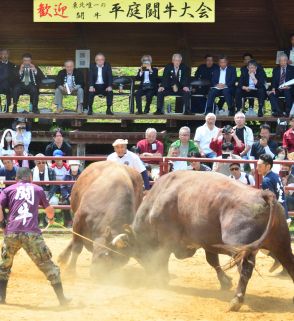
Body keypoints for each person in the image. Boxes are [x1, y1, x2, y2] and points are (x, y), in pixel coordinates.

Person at [0, 167, 70, 305]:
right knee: (49, 266)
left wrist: (2, 223)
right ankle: (62, 300)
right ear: (31, 177)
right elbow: (49, 209)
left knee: (4, 265)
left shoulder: (8, 190)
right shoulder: (37, 189)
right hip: (31, 233)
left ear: (16, 179)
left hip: (12, 231)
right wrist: (50, 219)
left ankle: (1, 298)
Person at [257, 154, 291, 225]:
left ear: (268, 166)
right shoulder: (276, 176)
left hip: (277, 218)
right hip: (284, 214)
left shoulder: (266, 180)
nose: (257, 168)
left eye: (260, 166)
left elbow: (271, 202)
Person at [60, 160, 82, 228]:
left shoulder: (83, 175)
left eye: (76, 165)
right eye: (72, 165)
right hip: (68, 196)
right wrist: (68, 196)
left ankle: (80, 222)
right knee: (64, 203)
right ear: (70, 166)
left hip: (80, 196)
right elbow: (62, 187)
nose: (74, 167)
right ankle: (68, 220)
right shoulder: (65, 176)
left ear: (79, 166)